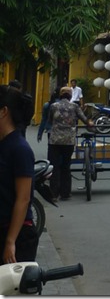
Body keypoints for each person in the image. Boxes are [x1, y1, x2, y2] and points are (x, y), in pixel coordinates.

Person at [0, 85, 38, 263]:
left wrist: (10, 241)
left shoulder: (19, 149)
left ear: (3, 112)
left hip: (17, 235)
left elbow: (23, 199)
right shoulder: (3, 144)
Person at [47, 87, 93, 201]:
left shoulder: (53, 106)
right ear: (70, 95)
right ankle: (65, 193)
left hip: (55, 140)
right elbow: (84, 119)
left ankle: (53, 194)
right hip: (69, 141)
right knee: (66, 166)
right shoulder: (74, 106)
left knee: (54, 166)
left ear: (60, 95)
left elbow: (50, 121)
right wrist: (90, 123)